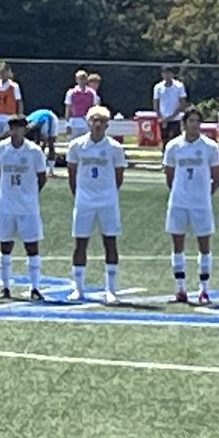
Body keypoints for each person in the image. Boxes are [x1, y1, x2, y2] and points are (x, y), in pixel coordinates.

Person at [163, 106, 219, 304]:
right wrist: (179, 191)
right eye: (191, 121)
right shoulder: (174, 146)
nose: (195, 125)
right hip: (179, 202)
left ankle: (204, 289)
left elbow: (217, 177)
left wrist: (205, 195)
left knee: (204, 245)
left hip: (201, 203)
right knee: (177, 244)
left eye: (198, 121)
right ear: (184, 123)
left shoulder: (210, 147)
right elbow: (169, 175)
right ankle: (180, 288)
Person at [66, 106, 127, 302]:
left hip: (107, 200)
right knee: (80, 242)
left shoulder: (114, 148)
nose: (98, 124)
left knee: (110, 241)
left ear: (107, 124)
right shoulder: (77, 145)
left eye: (102, 121)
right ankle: (79, 288)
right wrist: (80, 194)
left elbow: (119, 175)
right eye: (94, 120)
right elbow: (72, 173)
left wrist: (108, 192)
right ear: (88, 122)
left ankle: (111, 289)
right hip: (84, 200)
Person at [0, 114, 48, 300]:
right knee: (5, 245)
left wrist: (30, 193)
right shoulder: (0, 149)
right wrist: (7, 191)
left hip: (28, 206)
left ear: (25, 129)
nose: (16, 131)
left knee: (32, 245)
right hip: (6, 204)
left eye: (20, 127)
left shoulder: (34, 151)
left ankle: (35, 287)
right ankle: (5, 286)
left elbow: (41, 176)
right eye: (13, 127)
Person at [152, 66, 188, 147]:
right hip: (163, 119)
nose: (167, 75)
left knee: (176, 142)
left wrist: (171, 117)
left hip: (176, 119)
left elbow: (182, 104)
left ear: (172, 74)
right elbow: (156, 104)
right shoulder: (158, 87)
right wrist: (161, 118)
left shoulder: (179, 86)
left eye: (169, 73)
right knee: (165, 141)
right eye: (165, 73)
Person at [0, 64, 24, 140]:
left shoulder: (14, 86)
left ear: (9, 73)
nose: (3, 74)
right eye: (2, 72)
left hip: (9, 116)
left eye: (5, 72)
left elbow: (19, 101)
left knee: (7, 138)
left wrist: (19, 115)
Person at [63, 69, 99, 140]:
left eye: (83, 79)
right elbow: (68, 109)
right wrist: (67, 123)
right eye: (80, 79)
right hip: (74, 122)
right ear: (76, 80)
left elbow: (94, 109)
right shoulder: (71, 93)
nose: (82, 81)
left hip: (87, 123)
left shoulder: (92, 93)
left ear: (86, 80)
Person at [25, 108, 59, 174]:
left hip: (49, 118)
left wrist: (42, 145)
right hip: (39, 121)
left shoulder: (39, 123)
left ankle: (51, 170)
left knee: (50, 143)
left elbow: (42, 142)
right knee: (38, 146)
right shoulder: (25, 124)